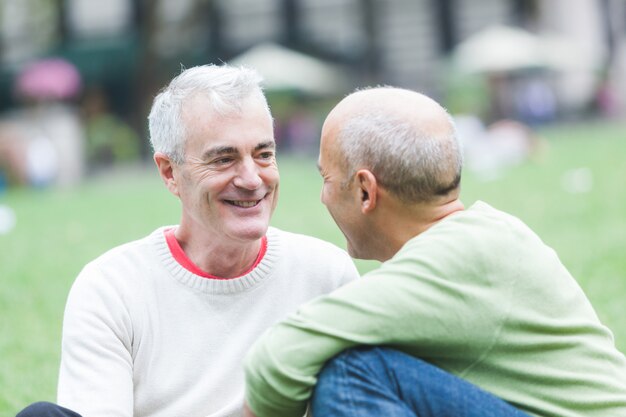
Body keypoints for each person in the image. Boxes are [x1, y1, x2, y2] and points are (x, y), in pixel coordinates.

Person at [243, 87, 626, 417]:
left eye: (325, 178)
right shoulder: (480, 239)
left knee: (350, 373)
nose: (323, 195)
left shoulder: (458, 258)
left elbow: (276, 359)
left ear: (365, 190)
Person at [16, 65, 359, 417]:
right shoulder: (111, 288)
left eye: (263, 154)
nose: (252, 178)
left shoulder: (326, 275)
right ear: (169, 172)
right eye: (224, 159)